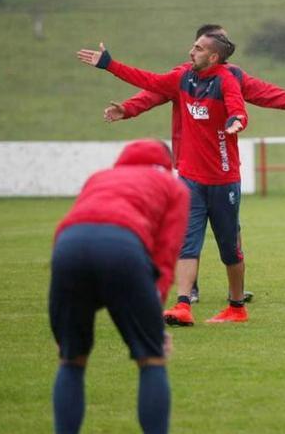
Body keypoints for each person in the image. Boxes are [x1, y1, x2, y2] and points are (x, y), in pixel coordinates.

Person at [104, 24, 285, 305]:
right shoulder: (182, 75)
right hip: (189, 165)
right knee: (189, 232)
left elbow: (262, 93)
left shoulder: (230, 76)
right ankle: (187, 294)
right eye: (218, 39)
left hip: (222, 172)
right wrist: (127, 108)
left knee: (229, 235)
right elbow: (152, 91)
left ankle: (235, 294)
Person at [77, 32, 251, 324]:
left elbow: (237, 107)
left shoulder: (226, 79)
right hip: (190, 179)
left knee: (229, 248)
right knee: (187, 243)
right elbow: (149, 82)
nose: (191, 51)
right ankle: (183, 305)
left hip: (223, 180)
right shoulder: (183, 77)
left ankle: (236, 308)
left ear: (214, 57)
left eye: (198, 48)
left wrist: (236, 121)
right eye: (193, 46)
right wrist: (109, 64)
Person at [49, 139, 189, 434]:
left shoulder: (99, 177)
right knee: (151, 358)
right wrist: (155, 319)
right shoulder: (174, 187)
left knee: (71, 358)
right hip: (123, 246)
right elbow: (165, 258)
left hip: (68, 248)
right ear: (168, 164)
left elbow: (72, 224)